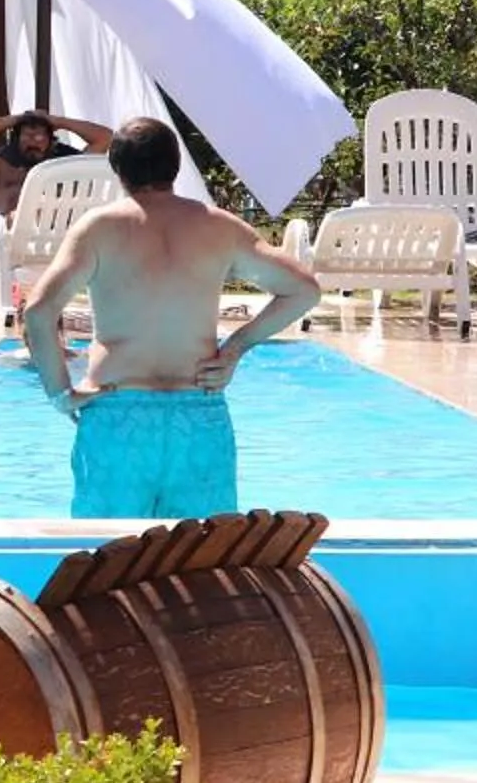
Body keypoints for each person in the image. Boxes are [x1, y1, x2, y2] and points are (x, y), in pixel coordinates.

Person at [17, 117, 324, 520]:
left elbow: (38, 314)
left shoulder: (98, 229)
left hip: (117, 412)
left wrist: (61, 395)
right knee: (202, 563)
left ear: (117, 168)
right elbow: (304, 289)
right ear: (175, 167)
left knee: (107, 562)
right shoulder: (219, 227)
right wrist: (234, 349)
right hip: (198, 413)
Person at [0, 109, 118, 222]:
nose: (34, 141)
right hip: (6, 240)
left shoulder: (65, 169)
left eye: (40, 136)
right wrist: (15, 119)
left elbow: (106, 138)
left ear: (50, 141)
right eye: (28, 135)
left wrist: (59, 121)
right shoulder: (0, 168)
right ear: (17, 139)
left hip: (54, 243)